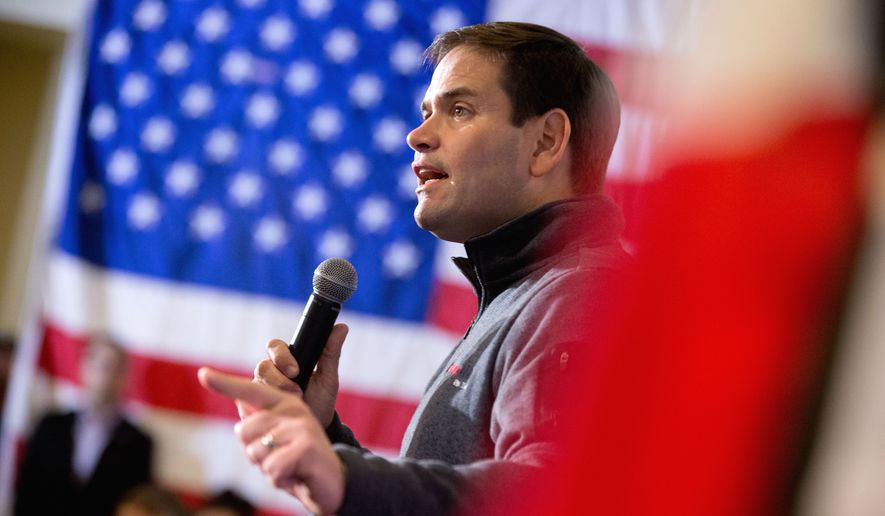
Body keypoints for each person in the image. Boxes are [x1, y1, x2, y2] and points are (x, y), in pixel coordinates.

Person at [198, 21, 626, 514]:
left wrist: (348, 478)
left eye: (459, 110)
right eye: (426, 112)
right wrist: (328, 439)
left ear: (546, 142)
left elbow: (554, 493)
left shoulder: (581, 292)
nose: (417, 136)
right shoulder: (525, 295)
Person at [15, 334, 154, 516]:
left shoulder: (139, 444)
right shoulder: (51, 426)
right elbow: (27, 490)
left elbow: (135, 505)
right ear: (84, 368)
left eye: (115, 368)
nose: (107, 375)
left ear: (125, 378)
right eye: (101, 365)